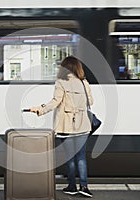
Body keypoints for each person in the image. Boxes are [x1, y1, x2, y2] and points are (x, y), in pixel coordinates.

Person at [30, 56, 93, 198]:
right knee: (81, 157)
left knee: (70, 158)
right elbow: (91, 101)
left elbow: (55, 102)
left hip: (67, 126)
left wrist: (39, 109)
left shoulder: (61, 83)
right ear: (78, 68)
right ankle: (84, 187)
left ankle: (72, 186)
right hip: (83, 125)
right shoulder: (84, 82)